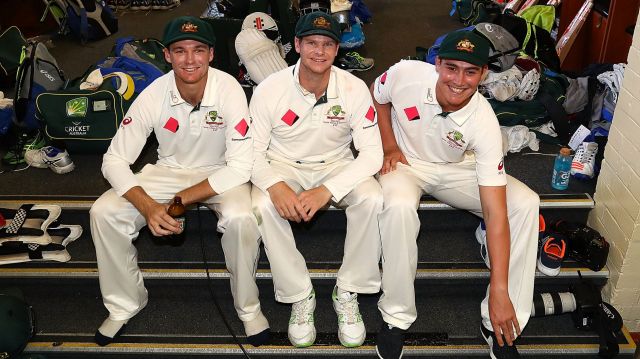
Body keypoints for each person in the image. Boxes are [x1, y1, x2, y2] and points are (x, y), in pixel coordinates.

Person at [90, 16, 270, 347]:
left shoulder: (228, 88)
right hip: (168, 171)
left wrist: (175, 204)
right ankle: (125, 303)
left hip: (222, 171)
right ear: (168, 55)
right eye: (180, 50)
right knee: (103, 212)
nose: (190, 60)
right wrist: (147, 207)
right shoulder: (153, 93)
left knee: (242, 218)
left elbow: (241, 166)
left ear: (211, 54)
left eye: (198, 50)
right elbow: (113, 160)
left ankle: (248, 308)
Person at [371, 31, 540, 359]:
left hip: (456, 169)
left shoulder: (484, 122)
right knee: (399, 206)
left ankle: (500, 323)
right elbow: (377, 96)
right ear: (436, 64)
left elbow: (495, 212)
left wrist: (499, 290)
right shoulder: (405, 73)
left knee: (525, 203)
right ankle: (395, 316)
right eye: (451, 68)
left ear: (484, 74)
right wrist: (389, 145)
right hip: (406, 164)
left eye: (470, 71)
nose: (459, 80)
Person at [249, 12, 383, 349]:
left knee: (372, 197)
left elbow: (371, 155)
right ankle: (299, 294)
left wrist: (328, 190)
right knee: (262, 203)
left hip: (335, 164)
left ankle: (348, 290)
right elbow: (248, 153)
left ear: (337, 49)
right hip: (283, 164)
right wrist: (275, 185)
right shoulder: (269, 89)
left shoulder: (353, 88)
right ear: (296, 45)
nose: (319, 52)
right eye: (311, 43)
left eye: (327, 44)